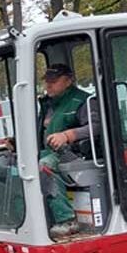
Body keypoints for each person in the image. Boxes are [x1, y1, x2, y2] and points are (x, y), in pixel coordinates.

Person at [37, 63, 98, 237]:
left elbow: (96, 127)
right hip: (49, 152)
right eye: (46, 81)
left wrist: (68, 135)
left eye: (54, 81)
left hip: (74, 155)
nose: (48, 85)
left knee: (45, 166)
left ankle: (67, 220)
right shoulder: (48, 105)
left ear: (68, 81)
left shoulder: (83, 101)